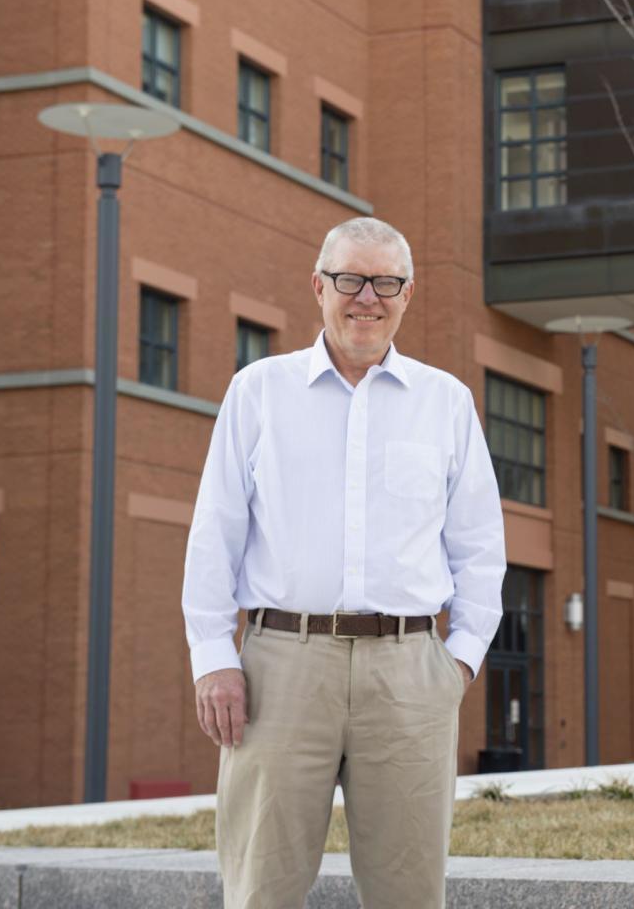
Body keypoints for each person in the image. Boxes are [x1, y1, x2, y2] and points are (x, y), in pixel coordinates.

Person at [182, 217, 506, 908]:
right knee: (261, 889)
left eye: (385, 282)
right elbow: (216, 530)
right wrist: (213, 656)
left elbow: (480, 547)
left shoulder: (446, 403)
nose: (367, 297)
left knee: (409, 895)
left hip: (410, 673)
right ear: (318, 288)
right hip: (279, 670)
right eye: (350, 280)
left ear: (407, 293)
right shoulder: (257, 391)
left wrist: (459, 663)